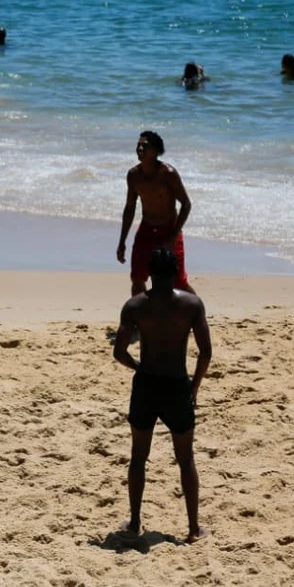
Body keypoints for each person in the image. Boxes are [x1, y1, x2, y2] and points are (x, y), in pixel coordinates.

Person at [113, 247, 212, 543]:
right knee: (185, 458)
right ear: (175, 272)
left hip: (146, 385)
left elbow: (119, 352)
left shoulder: (134, 306)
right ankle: (194, 529)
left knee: (138, 456)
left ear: (150, 273)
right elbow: (205, 353)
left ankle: (133, 522)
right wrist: (194, 386)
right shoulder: (192, 305)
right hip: (176, 385)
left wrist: (139, 366)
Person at [117, 131, 195, 296]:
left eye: (144, 146)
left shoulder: (168, 174)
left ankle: (197, 314)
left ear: (156, 151)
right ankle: (142, 319)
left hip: (169, 231)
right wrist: (122, 241)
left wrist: (174, 236)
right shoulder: (133, 175)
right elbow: (130, 208)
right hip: (146, 231)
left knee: (178, 283)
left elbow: (186, 204)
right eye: (138, 145)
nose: (139, 148)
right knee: (137, 279)